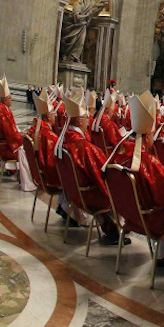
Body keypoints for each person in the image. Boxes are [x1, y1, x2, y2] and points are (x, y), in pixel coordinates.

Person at [103, 92, 164, 269]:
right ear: (148, 136)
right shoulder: (147, 162)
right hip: (151, 219)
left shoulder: (117, 156)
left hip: (129, 217)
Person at [53, 91, 124, 245]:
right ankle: (114, 230)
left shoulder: (63, 140)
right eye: (86, 118)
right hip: (88, 195)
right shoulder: (84, 147)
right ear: (79, 121)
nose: (88, 122)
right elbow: (102, 175)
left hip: (74, 193)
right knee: (120, 188)